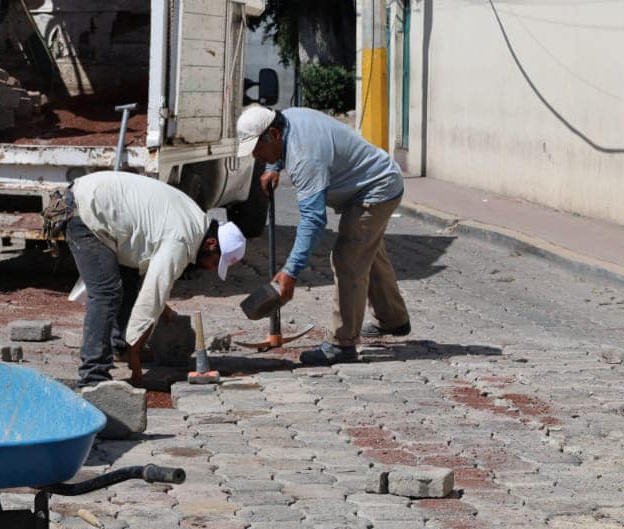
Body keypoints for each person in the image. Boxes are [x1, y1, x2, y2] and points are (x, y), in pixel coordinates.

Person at [236, 105, 410, 366]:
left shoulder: (305, 158)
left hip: (376, 188)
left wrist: (290, 272)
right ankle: (393, 319)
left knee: (348, 258)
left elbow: (313, 220)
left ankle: (343, 343)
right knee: (367, 251)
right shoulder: (287, 119)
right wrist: (273, 165)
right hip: (368, 183)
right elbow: (278, 148)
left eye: (258, 149)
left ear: (273, 133)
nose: (257, 156)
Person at [47, 171, 246, 386]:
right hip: (85, 212)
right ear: (211, 245)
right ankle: (93, 375)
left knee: (129, 276)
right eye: (215, 263)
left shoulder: (194, 220)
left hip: (98, 207)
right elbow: (152, 297)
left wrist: (159, 314)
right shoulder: (181, 239)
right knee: (106, 292)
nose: (210, 269)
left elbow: (152, 283)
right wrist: (136, 353)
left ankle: (120, 346)